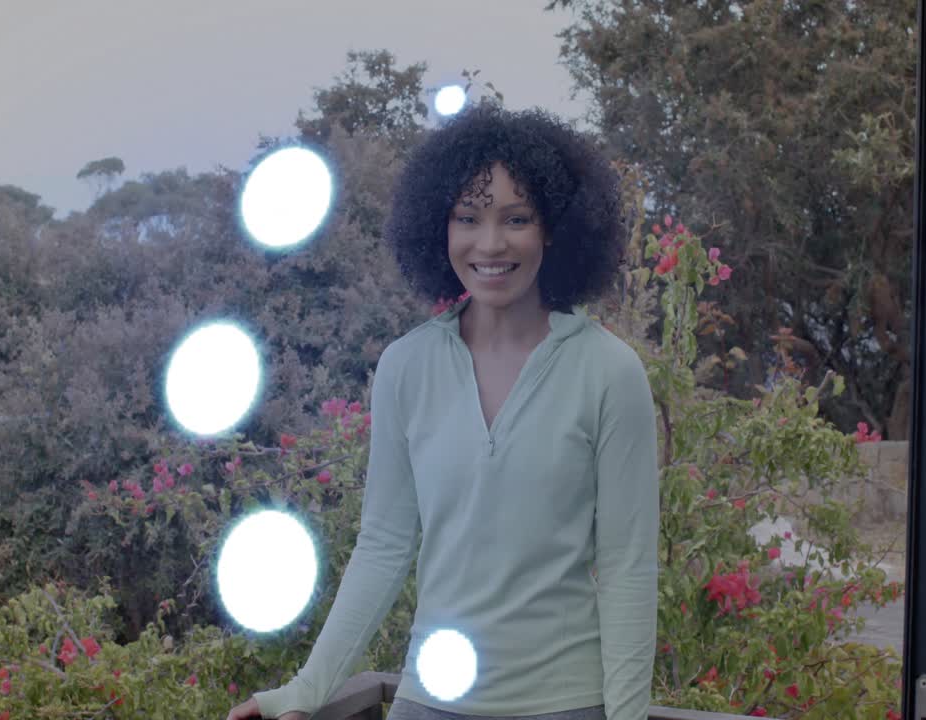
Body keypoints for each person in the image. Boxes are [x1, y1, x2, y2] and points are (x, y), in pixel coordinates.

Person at [227, 103, 659, 720]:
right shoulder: (407, 367)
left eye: (516, 218)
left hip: (565, 703)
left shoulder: (609, 373)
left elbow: (627, 567)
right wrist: (304, 691)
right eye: (468, 218)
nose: (490, 243)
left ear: (553, 229)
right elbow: (383, 546)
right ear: (440, 227)